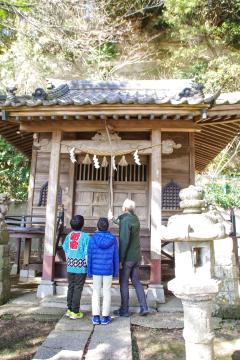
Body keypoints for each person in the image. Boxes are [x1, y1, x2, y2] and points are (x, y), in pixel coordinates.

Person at [111, 199, 149, 317]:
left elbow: (124, 241)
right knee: (136, 281)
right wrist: (112, 219)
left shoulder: (126, 220)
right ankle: (144, 307)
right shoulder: (134, 218)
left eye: (123, 206)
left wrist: (121, 260)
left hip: (128, 258)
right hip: (136, 256)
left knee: (123, 282)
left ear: (125, 208)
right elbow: (122, 222)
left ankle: (124, 309)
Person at [88, 217, 119, 325]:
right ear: (108, 227)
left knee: (95, 292)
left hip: (96, 270)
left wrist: (89, 271)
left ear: (97, 226)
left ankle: (96, 317)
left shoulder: (92, 239)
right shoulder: (113, 239)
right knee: (107, 291)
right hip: (108, 269)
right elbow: (116, 256)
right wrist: (115, 271)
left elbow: (90, 256)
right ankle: (105, 317)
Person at [62, 214, 89, 320]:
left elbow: (66, 250)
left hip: (70, 265)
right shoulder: (86, 237)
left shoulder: (69, 236)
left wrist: (68, 261)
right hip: (81, 266)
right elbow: (87, 254)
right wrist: (87, 265)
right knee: (78, 288)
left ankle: (69, 309)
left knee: (71, 286)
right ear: (82, 225)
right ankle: (75, 311)